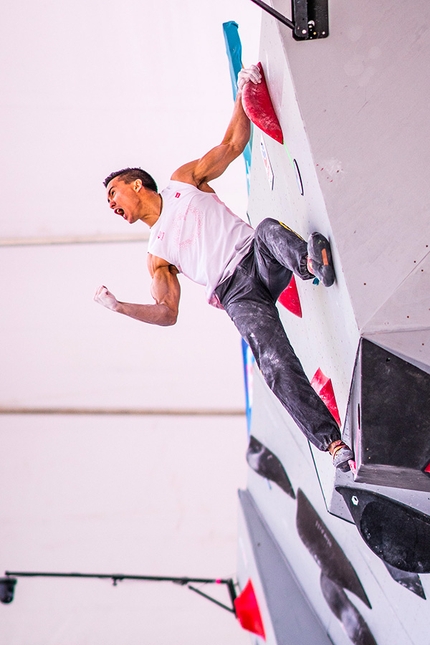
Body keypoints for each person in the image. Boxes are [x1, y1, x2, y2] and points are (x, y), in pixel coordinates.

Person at [94, 65, 354, 471]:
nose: (112, 204)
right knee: (273, 362)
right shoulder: (156, 255)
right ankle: (334, 444)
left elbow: (233, 144)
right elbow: (168, 313)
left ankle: (309, 263)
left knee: (268, 227)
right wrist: (122, 308)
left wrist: (242, 91)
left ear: (136, 185)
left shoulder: (183, 181)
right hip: (237, 294)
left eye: (114, 193)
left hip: (256, 253)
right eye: (109, 203)